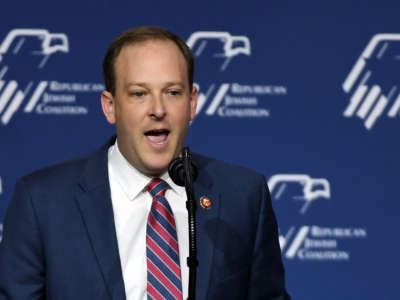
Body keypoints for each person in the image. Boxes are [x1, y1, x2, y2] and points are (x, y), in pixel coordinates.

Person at [0, 26, 290, 300]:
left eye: (173, 93)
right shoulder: (42, 202)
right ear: (110, 106)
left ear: (192, 103)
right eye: (139, 93)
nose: (158, 110)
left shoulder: (244, 196)